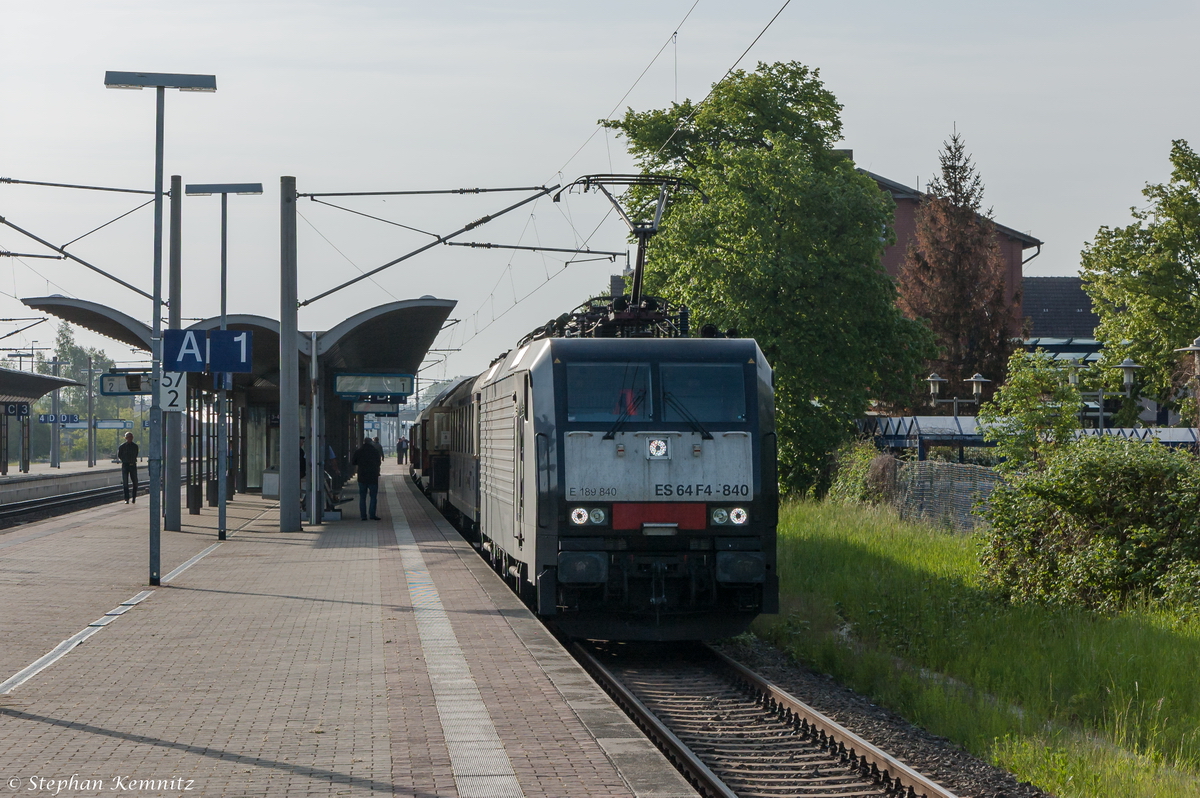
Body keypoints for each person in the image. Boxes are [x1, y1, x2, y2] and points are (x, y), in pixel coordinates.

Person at [352, 436, 383, 521]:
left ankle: (363, 516)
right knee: (373, 497)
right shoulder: (375, 451)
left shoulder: (359, 451)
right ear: (371, 443)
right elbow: (378, 463)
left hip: (362, 477)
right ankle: (372, 515)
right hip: (373, 477)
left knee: (362, 497)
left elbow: (353, 462)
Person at [118, 432, 139, 504]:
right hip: (125, 465)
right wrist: (125, 460)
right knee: (125, 483)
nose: (130, 438)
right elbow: (119, 455)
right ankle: (126, 498)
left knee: (135, 482)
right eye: (128, 437)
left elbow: (136, 454)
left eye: (131, 437)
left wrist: (132, 460)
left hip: (133, 465)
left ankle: (134, 498)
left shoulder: (135, 446)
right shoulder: (122, 447)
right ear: (126, 438)